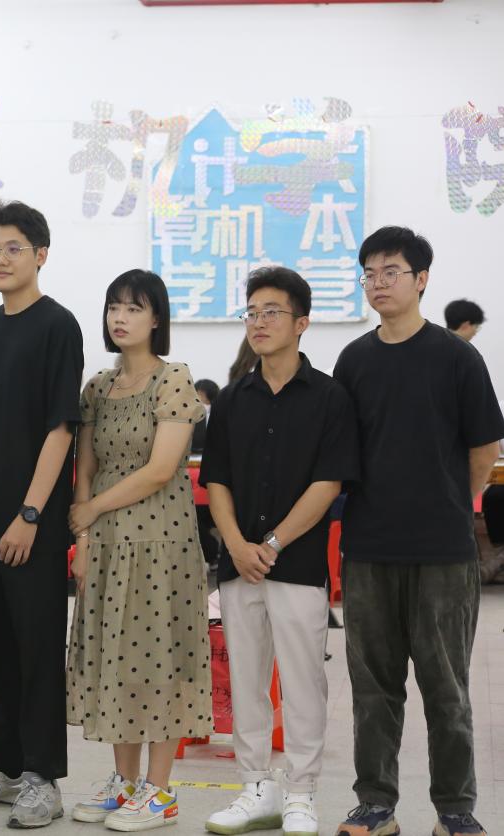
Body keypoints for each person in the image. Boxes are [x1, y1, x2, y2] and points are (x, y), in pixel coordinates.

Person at [331, 227, 502, 836]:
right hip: (368, 549)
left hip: (441, 553)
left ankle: (455, 809)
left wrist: (453, 504)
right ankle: (376, 804)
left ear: (421, 279)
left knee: (446, 688)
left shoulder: (457, 357)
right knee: (372, 688)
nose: (378, 283)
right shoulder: (354, 360)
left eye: (391, 272)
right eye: (369, 274)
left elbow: (484, 447)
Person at [200, 267, 359, 836]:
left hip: (296, 565)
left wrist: (270, 544)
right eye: (252, 312)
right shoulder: (232, 398)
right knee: (246, 680)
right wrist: (237, 546)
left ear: (301, 323)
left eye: (272, 312)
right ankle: (255, 789)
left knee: (302, 682)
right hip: (238, 566)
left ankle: (301, 792)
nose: (259, 322)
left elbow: (328, 483)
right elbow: (216, 479)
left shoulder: (330, 397)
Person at [0, 199, 83, 829]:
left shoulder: (58, 325)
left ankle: (42, 777)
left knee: (37, 652)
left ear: (41, 255)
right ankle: (4, 768)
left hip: (32, 524)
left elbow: (61, 428)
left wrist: (30, 514)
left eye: (14, 249)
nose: (0, 259)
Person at [66, 269, 210, 831]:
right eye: (114, 308)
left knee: (160, 661)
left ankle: (160, 792)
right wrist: (84, 535)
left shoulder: (174, 379)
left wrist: (93, 509)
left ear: (156, 319)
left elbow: (160, 469)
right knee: (116, 661)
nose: (120, 318)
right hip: (107, 544)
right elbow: (86, 467)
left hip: (161, 545)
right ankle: (125, 783)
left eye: (133, 308)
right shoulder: (98, 388)